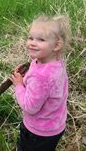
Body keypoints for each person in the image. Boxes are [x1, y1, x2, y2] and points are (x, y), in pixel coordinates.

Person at [9, 14, 72, 151]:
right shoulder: (55, 59)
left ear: (56, 46)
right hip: (55, 125)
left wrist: (19, 85)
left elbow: (29, 106)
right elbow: (39, 70)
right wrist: (27, 72)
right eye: (30, 38)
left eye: (40, 39)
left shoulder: (41, 77)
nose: (32, 42)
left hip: (37, 132)